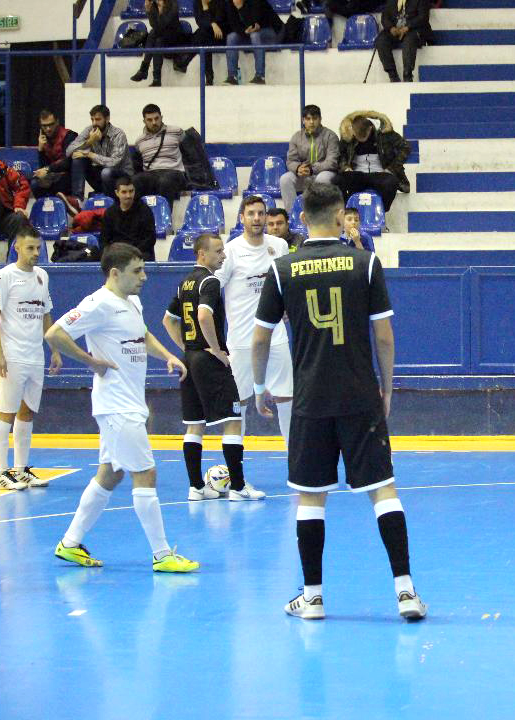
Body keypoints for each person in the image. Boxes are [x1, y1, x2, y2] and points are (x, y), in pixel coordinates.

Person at [252, 183, 426, 621]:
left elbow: (260, 338)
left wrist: (258, 385)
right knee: (383, 489)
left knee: (311, 498)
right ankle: (405, 592)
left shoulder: (282, 269)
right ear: (339, 217)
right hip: (359, 394)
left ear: (301, 219)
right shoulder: (365, 264)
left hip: (310, 399)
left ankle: (312, 597)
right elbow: (383, 337)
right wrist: (386, 388)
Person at [46, 243, 198, 573]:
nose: (144, 277)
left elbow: (142, 335)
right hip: (116, 405)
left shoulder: (132, 302)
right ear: (115, 273)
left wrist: (168, 356)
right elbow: (54, 334)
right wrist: (90, 361)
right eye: (137, 271)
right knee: (146, 473)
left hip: (129, 402)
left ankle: (70, 543)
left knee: (110, 473)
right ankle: (162, 554)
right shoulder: (98, 304)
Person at [162, 233, 263, 501]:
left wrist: (188, 347)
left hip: (190, 359)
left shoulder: (184, 283)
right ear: (201, 254)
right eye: (218, 251)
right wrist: (216, 350)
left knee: (195, 425)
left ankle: (196, 487)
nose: (223, 256)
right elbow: (204, 316)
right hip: (208, 360)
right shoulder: (210, 281)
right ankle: (238, 488)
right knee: (232, 421)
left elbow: (168, 320)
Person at [0, 226, 61, 491]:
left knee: (27, 412)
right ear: (17, 248)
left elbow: (46, 314)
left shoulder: (42, 276)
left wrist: (53, 348)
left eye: (38, 248)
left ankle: (21, 469)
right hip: (12, 355)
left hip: (34, 355)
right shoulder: (4, 277)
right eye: (30, 248)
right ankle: (0, 473)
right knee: (6, 411)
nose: (36, 253)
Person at [216, 195, 294, 442]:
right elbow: (212, 289)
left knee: (286, 397)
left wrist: (288, 306)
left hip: (275, 337)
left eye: (261, 213)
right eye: (251, 214)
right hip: (240, 341)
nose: (257, 218)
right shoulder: (230, 251)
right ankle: (235, 461)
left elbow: (287, 284)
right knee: (238, 402)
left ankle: (295, 458)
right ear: (242, 218)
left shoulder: (279, 246)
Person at [337, 111, 411, 212]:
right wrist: (345, 167)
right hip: (358, 174)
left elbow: (406, 147)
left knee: (392, 182)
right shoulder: (348, 135)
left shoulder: (385, 133)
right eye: (357, 136)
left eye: (364, 136)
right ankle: (347, 209)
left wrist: (392, 168)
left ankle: (383, 209)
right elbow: (340, 154)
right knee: (338, 180)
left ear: (370, 128)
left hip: (381, 173)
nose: (361, 139)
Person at [281, 105, 341, 213]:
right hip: (304, 175)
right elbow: (291, 160)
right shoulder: (296, 137)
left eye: (315, 118)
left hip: (325, 173)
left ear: (320, 119)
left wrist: (313, 169)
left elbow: (332, 162)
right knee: (285, 179)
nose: (312, 122)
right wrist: (298, 168)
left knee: (322, 179)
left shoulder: (330, 136)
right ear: (303, 120)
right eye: (308, 119)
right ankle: (293, 215)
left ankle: (319, 215)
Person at [67, 104, 135, 199]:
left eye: (98, 119)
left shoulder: (118, 134)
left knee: (106, 172)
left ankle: (111, 201)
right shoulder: (89, 130)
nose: (94, 123)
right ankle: (77, 199)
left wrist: (90, 155)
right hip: (100, 174)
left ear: (107, 119)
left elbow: (114, 162)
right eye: (92, 119)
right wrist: (90, 141)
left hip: (121, 176)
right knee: (78, 160)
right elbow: (69, 151)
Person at [132, 104, 188, 207]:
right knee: (134, 181)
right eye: (149, 120)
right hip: (150, 174)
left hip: (174, 172)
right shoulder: (139, 141)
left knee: (165, 181)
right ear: (144, 121)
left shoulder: (177, 132)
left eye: (156, 118)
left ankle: (164, 216)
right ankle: (138, 215)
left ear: (161, 117)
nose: (154, 122)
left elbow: (189, 151)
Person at [224, 0, 283, 85]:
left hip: (272, 31)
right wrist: (245, 31)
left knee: (255, 35)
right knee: (231, 37)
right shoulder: (229, 3)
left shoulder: (256, 1)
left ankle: (260, 76)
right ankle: (232, 76)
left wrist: (240, 7)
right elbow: (233, 25)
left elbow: (253, 23)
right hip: (249, 33)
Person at [131, 0, 187, 87]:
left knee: (153, 35)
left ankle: (145, 70)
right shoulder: (154, 5)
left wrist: (161, 12)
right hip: (161, 38)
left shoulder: (173, 4)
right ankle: (156, 79)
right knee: (157, 40)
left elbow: (165, 24)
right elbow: (154, 25)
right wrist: (149, 11)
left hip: (175, 38)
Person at [375, 0, 433, 83]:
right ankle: (392, 75)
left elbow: (423, 17)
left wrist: (407, 27)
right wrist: (391, 28)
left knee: (409, 39)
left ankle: (407, 74)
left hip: (414, 29)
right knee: (381, 40)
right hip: (396, 30)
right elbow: (384, 18)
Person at [101, 176, 157, 259]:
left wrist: (131, 253)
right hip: (117, 255)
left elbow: (150, 239)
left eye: (131, 191)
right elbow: (104, 240)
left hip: (139, 254)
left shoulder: (145, 211)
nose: (128, 195)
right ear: (117, 193)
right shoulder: (109, 213)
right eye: (124, 192)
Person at [32, 110, 78, 203]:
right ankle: (45, 208)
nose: (48, 129)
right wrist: (40, 150)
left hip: (67, 176)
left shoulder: (69, 136)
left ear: (57, 122)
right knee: (35, 183)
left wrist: (48, 169)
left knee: (59, 183)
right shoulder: (43, 139)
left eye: (51, 124)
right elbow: (42, 167)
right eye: (44, 126)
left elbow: (67, 162)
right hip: (52, 176)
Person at [187, 0, 227, 85]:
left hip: (221, 34)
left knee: (201, 35)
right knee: (203, 37)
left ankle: (185, 59)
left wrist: (205, 8)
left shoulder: (220, 2)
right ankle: (209, 77)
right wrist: (212, 24)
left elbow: (219, 20)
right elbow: (200, 23)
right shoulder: (197, 2)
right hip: (207, 36)